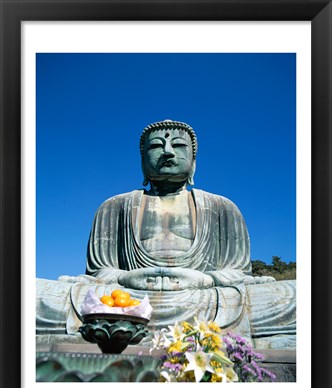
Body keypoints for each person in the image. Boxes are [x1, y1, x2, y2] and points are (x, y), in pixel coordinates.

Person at [37, 120, 295, 349]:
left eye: (179, 146)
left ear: (194, 161)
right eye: (156, 146)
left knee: (295, 296)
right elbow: (100, 272)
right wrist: (132, 278)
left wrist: (201, 280)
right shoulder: (114, 206)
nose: (168, 152)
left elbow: (237, 273)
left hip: (204, 299)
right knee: (35, 293)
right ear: (142, 159)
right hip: (126, 300)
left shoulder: (222, 208)